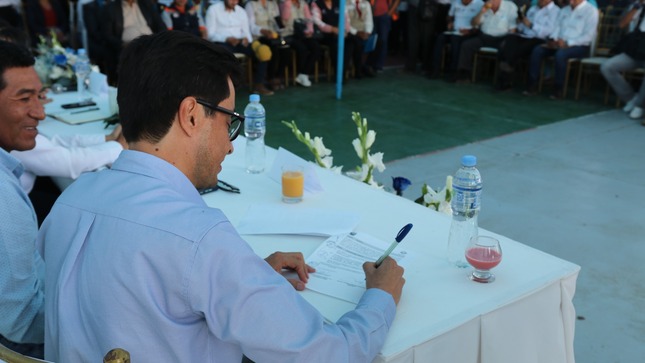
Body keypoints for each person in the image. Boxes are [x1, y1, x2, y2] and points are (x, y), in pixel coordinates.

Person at [38, 31, 405, 362]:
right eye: (229, 121)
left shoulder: (73, 198)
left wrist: (246, 274)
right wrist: (381, 297)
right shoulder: (198, 237)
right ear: (192, 115)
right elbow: (327, 354)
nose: (231, 145)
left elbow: (128, 298)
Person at [0, 40, 46, 359]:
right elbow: (20, 323)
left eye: (39, 96)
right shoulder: (4, 198)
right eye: (24, 98)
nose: (39, 112)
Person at [10, 124, 127, 225]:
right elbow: (69, 163)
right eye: (24, 99)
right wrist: (119, 146)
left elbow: (51, 143)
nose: (41, 113)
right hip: (16, 212)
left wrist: (108, 139)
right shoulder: (13, 138)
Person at [524, 0, 598, 99]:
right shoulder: (564, 10)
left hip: (579, 46)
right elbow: (556, 28)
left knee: (560, 55)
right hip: (559, 43)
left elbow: (588, 36)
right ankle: (532, 85)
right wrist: (553, 40)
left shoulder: (591, 11)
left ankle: (558, 89)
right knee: (538, 50)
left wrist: (568, 43)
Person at [206, 0, 274, 95]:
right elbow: (210, 34)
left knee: (263, 52)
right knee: (223, 55)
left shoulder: (241, 11)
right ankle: (223, 89)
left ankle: (258, 84)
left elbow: (246, 32)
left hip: (240, 42)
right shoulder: (213, 10)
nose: (234, 2)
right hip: (222, 42)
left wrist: (246, 39)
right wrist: (226, 38)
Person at [494, 0, 559, 91]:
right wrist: (520, 22)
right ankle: (506, 76)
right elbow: (522, 28)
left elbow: (549, 31)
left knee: (514, 50)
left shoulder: (555, 11)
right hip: (524, 36)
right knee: (509, 39)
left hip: (539, 39)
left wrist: (531, 25)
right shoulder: (533, 9)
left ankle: (505, 79)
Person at [101, 0, 166, 84]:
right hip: (128, 46)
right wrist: (122, 44)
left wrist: (159, 40)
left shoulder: (146, 4)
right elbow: (107, 35)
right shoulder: (111, 8)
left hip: (151, 43)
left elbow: (161, 26)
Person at [601, 0, 645, 121]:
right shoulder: (638, 6)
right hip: (635, 49)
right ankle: (631, 98)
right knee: (607, 67)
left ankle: (640, 105)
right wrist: (638, 6)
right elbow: (622, 24)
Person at [453, 0, 518, 82]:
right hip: (484, 37)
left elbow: (513, 29)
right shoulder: (485, 6)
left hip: (502, 38)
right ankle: (463, 74)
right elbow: (474, 23)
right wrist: (481, 12)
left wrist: (509, 41)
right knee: (466, 45)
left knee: (507, 49)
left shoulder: (510, 7)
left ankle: (504, 80)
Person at [429, 0, 484, 79]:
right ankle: (435, 69)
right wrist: (450, 22)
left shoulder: (480, 4)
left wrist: (470, 31)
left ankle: (454, 71)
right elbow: (450, 16)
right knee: (440, 38)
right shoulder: (455, 2)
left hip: (470, 32)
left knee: (455, 41)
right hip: (455, 31)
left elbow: (481, 23)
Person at [245, 0, 286, 91]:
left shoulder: (273, 3)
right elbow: (250, 25)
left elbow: (277, 21)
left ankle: (278, 76)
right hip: (258, 36)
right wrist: (263, 31)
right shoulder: (251, 4)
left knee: (285, 48)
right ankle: (271, 78)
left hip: (272, 35)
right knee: (272, 48)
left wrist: (280, 29)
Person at [279, 0, 321, 87]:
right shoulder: (284, 3)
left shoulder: (303, 3)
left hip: (302, 33)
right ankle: (301, 74)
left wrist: (309, 31)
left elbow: (309, 19)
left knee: (316, 47)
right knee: (302, 49)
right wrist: (288, 3)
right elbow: (285, 18)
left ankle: (303, 74)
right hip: (289, 34)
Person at [311, 0, 354, 80]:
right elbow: (317, 22)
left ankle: (343, 71)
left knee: (350, 42)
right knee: (335, 44)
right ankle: (338, 73)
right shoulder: (316, 4)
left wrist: (344, 30)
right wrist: (332, 29)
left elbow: (346, 18)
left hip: (340, 32)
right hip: (325, 34)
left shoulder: (339, 2)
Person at [365, 0, 401, 75]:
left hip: (384, 16)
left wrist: (389, 13)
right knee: (372, 40)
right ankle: (369, 65)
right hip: (371, 15)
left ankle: (378, 65)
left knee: (383, 41)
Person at [346, 0, 374, 78]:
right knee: (355, 42)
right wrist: (357, 32)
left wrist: (368, 32)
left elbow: (369, 20)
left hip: (363, 31)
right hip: (350, 31)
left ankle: (365, 66)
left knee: (378, 42)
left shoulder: (366, 3)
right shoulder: (345, 3)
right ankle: (358, 69)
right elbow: (346, 22)